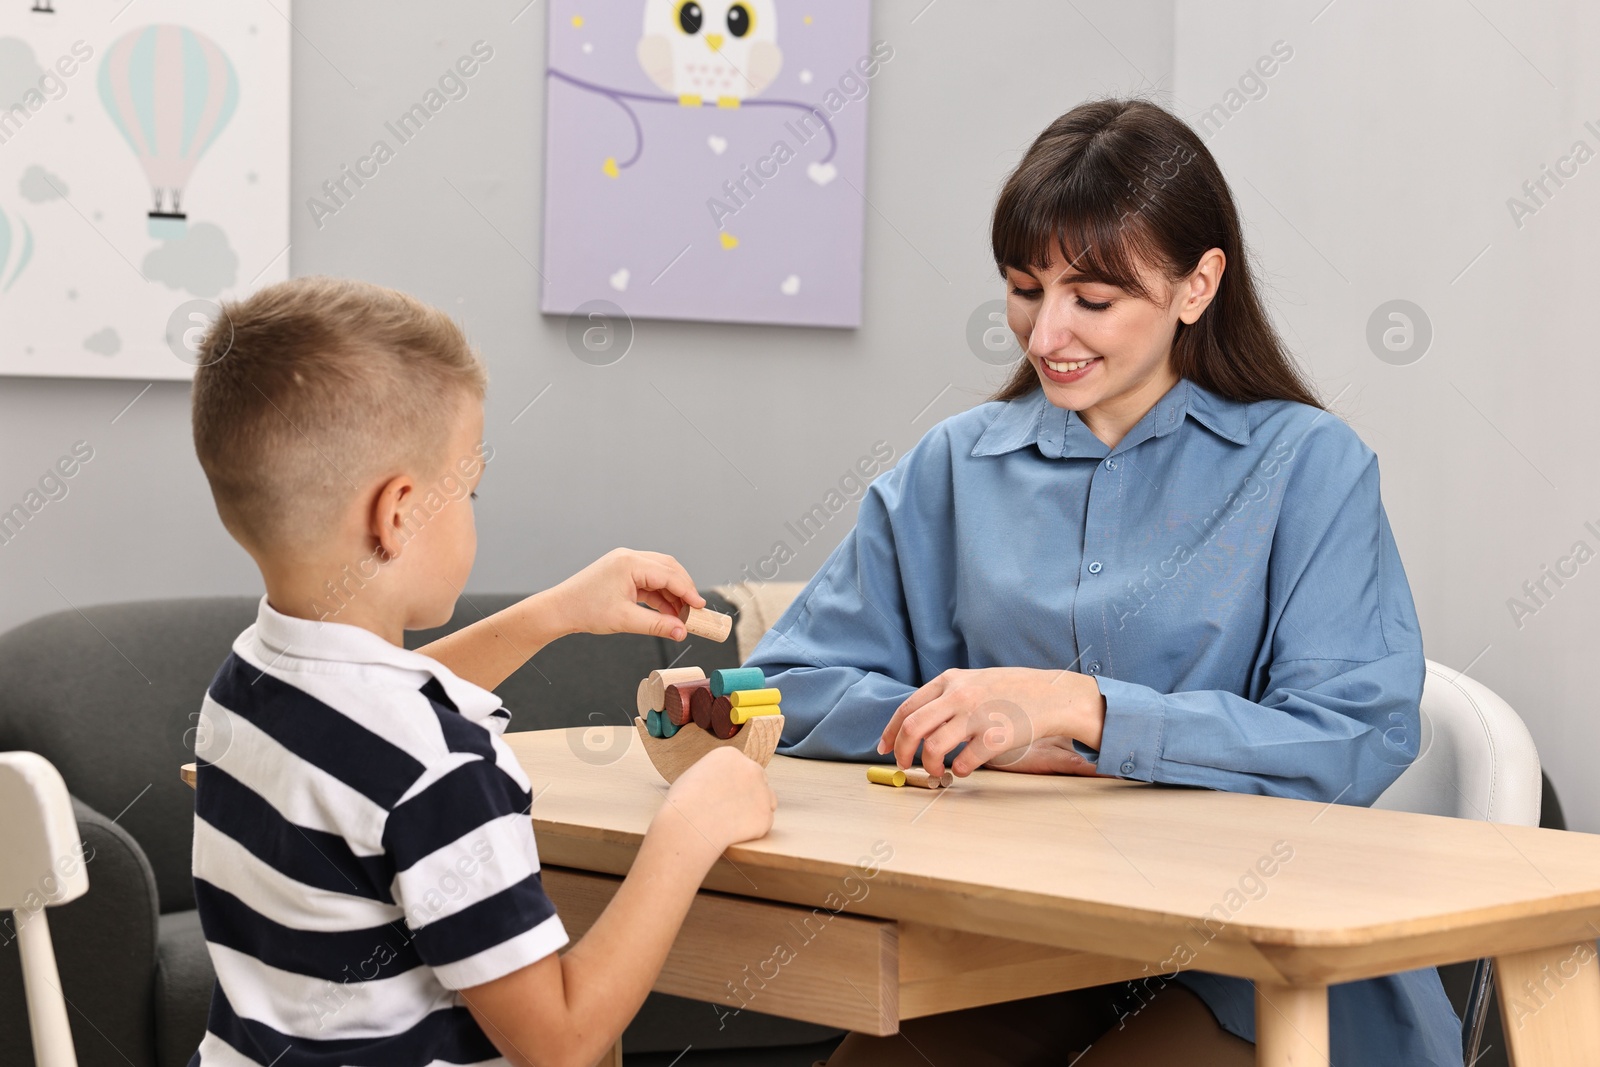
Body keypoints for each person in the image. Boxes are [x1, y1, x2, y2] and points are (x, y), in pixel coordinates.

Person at [746, 99, 1463, 1066]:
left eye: (1092, 299)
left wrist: (1081, 706)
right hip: (1019, 941)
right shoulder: (952, 467)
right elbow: (783, 687)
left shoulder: (1309, 466)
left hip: (1252, 959)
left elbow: (1354, 735)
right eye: (1022, 289)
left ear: (1198, 284)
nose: (1045, 336)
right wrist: (973, 726)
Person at [185, 276, 776, 1067]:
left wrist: (556, 611)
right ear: (398, 514)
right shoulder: (444, 771)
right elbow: (561, 1041)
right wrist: (691, 827)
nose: (473, 507)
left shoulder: (249, 681)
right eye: (469, 488)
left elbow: (376, 714)